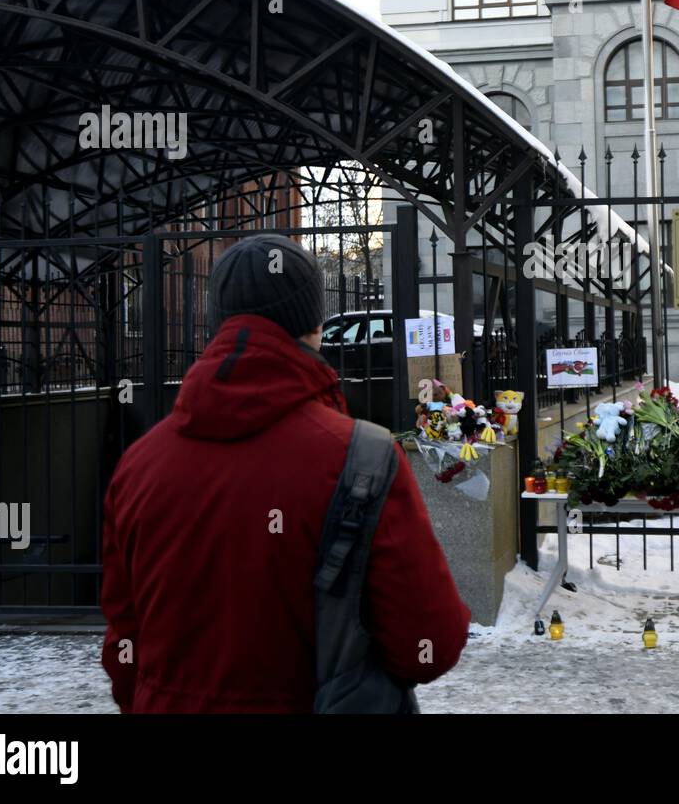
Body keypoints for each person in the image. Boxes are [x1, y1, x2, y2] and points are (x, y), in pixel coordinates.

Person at [99, 234, 469, 712]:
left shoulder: (138, 465)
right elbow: (430, 646)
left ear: (216, 324)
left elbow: (123, 644)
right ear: (313, 325)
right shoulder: (365, 457)